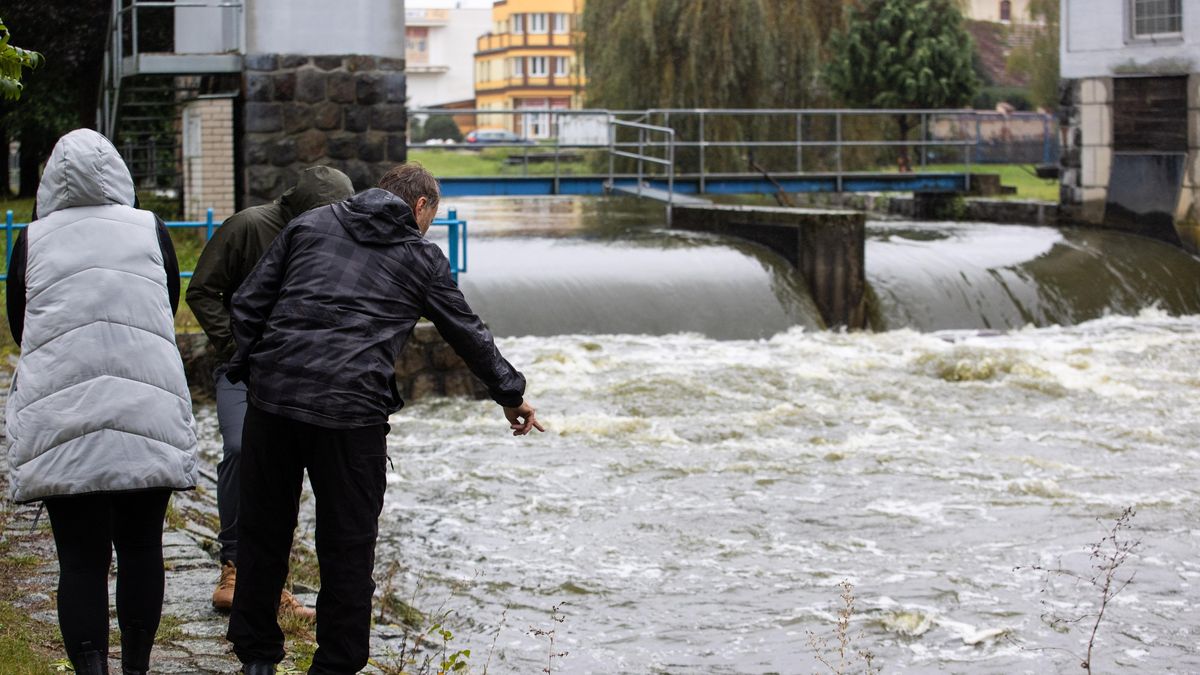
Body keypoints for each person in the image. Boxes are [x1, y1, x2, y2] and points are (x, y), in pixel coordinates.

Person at [224, 163, 544, 675]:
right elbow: (466, 331)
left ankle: (258, 659)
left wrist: (258, 369)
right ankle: (334, 666)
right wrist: (512, 394)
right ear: (420, 207)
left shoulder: (310, 225)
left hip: (275, 403)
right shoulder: (421, 257)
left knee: (262, 536)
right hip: (352, 417)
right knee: (347, 547)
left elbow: (247, 303)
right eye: (430, 220)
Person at [5, 128, 199, 675]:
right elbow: (166, 303)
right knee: (141, 546)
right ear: (118, 173)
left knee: (81, 559)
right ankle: (136, 668)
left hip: (63, 411)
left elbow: (21, 324)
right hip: (148, 406)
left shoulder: (32, 238)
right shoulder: (151, 229)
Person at [186, 166, 354, 618]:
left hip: (302, 373)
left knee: (290, 468)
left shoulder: (334, 237)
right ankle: (234, 568)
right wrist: (237, 345)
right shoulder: (247, 227)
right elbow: (202, 291)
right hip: (242, 372)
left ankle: (274, 582)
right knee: (241, 449)